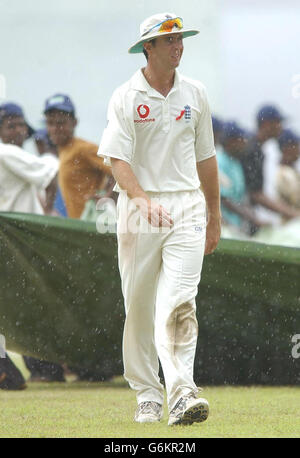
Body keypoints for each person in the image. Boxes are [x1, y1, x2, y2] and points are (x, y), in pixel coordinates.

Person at [98, 12, 221, 426]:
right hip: (138, 212)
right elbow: (118, 160)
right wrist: (143, 200)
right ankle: (147, 393)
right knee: (139, 306)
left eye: (180, 39)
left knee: (180, 301)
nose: (178, 46)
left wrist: (214, 214)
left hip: (186, 206)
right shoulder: (126, 96)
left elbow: (206, 158)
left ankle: (183, 392)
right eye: (168, 41)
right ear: (147, 47)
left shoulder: (196, 93)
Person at [43, 93, 115, 219]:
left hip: (91, 225)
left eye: (61, 122)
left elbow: (119, 170)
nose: (55, 128)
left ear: (74, 122)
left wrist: (108, 196)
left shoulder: (84, 148)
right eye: (50, 123)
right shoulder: (63, 151)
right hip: (78, 226)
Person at [241, 105, 300, 232]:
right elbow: (255, 193)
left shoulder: (259, 149)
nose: (281, 127)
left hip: (249, 215)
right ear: (267, 124)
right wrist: (292, 214)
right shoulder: (252, 150)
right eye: (279, 122)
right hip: (244, 218)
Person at [217, 121, 267, 233]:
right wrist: (252, 218)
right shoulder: (220, 162)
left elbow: (240, 198)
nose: (245, 143)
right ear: (231, 141)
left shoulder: (235, 162)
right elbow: (224, 199)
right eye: (241, 140)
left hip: (235, 226)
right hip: (222, 226)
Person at [276, 129, 300, 212]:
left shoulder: (292, 171)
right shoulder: (284, 174)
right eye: (296, 145)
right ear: (286, 149)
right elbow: (296, 199)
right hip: (291, 221)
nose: (298, 150)